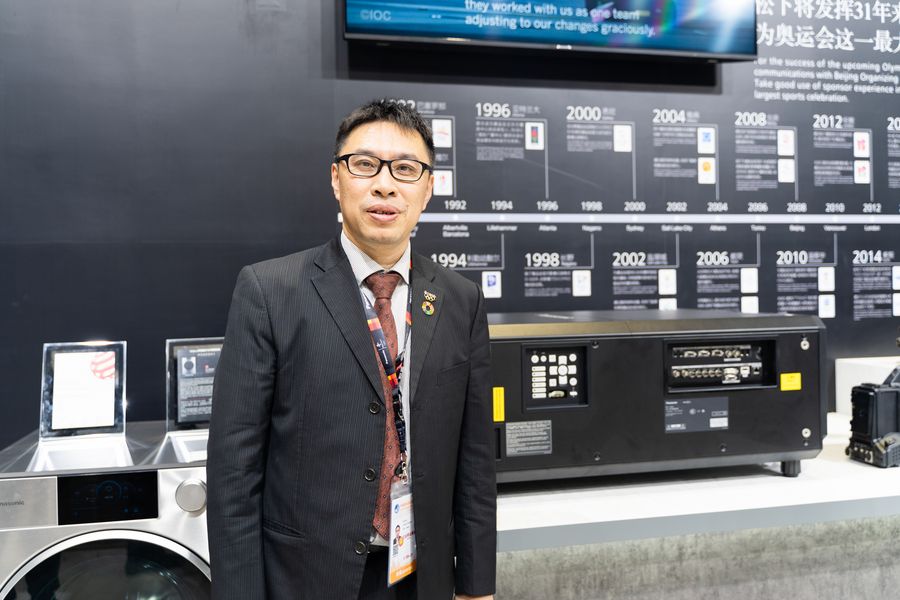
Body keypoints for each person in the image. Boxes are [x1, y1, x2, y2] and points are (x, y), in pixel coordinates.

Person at [207, 99, 496, 600]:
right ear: (336, 179)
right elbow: (235, 470)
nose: (385, 185)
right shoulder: (270, 291)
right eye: (365, 165)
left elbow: (475, 460)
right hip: (305, 577)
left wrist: (476, 585)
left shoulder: (460, 299)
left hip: (420, 574)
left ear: (428, 188)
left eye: (405, 169)